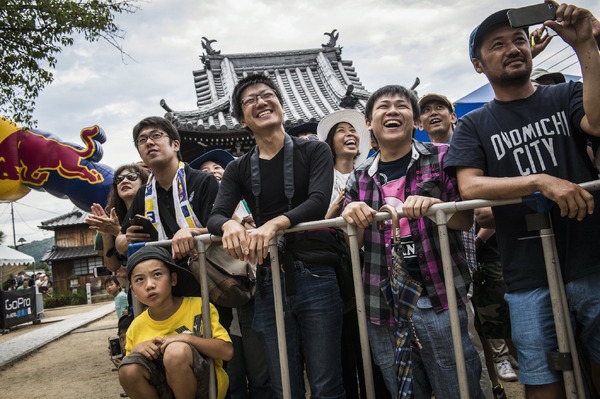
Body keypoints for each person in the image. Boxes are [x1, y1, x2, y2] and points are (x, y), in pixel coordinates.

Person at [445, 3, 600, 398]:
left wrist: (585, 47)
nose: (512, 48)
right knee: (541, 379)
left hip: (590, 259)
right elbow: (470, 186)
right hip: (526, 273)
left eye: (518, 40)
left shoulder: (567, 93)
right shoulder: (473, 124)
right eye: (496, 45)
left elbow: (596, 124)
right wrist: (540, 181)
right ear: (478, 65)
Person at [341, 84, 484, 399]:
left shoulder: (441, 156)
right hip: (383, 304)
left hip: (437, 295)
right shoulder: (359, 176)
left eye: (401, 105)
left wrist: (434, 209)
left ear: (416, 120)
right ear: (369, 122)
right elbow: (354, 241)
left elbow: (465, 220)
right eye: (383, 106)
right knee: (404, 390)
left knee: (457, 387)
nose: (392, 111)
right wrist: (350, 212)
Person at [207, 74, 344, 399]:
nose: (261, 101)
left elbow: (318, 201)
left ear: (281, 105)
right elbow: (215, 214)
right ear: (242, 119)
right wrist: (230, 225)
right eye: (250, 100)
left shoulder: (315, 150)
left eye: (268, 95)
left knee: (326, 385)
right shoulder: (239, 168)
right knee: (285, 387)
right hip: (269, 282)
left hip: (317, 275)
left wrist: (273, 225)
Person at [191, 148, 271, 399]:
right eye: (205, 171)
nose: (213, 173)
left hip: (255, 286)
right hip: (219, 289)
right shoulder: (197, 204)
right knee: (232, 371)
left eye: (217, 168)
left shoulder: (249, 198)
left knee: (261, 367)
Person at [118, 246, 233, 399]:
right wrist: (136, 350)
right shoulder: (136, 326)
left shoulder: (198, 307)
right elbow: (131, 373)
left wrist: (186, 338)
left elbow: (227, 351)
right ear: (133, 291)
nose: (149, 285)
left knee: (175, 352)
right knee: (127, 369)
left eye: (157, 274)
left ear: (173, 279)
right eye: (140, 279)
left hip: (206, 388)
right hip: (163, 390)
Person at [115, 116, 219, 263]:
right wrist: (128, 239)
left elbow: (223, 226)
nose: (149, 142)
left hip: (206, 268)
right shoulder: (143, 193)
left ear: (175, 145)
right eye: (142, 140)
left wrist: (192, 232)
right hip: (165, 274)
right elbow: (119, 244)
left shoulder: (203, 181)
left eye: (156, 135)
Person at [86, 163, 149, 281]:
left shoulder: (154, 209)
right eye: (119, 179)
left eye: (131, 177)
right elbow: (113, 266)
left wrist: (116, 231)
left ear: (144, 182)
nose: (124, 181)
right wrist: (105, 234)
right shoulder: (109, 220)